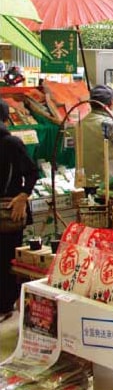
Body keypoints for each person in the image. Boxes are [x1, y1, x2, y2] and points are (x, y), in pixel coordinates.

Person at [0, 100, 38, 321]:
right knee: (8, 258)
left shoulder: (9, 143)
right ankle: (5, 304)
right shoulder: (12, 142)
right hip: (9, 211)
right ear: (6, 118)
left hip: (8, 210)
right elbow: (32, 172)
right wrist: (23, 196)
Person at [80, 85, 113, 191]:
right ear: (110, 104)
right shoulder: (110, 124)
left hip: (86, 182)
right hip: (110, 183)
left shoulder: (79, 124)